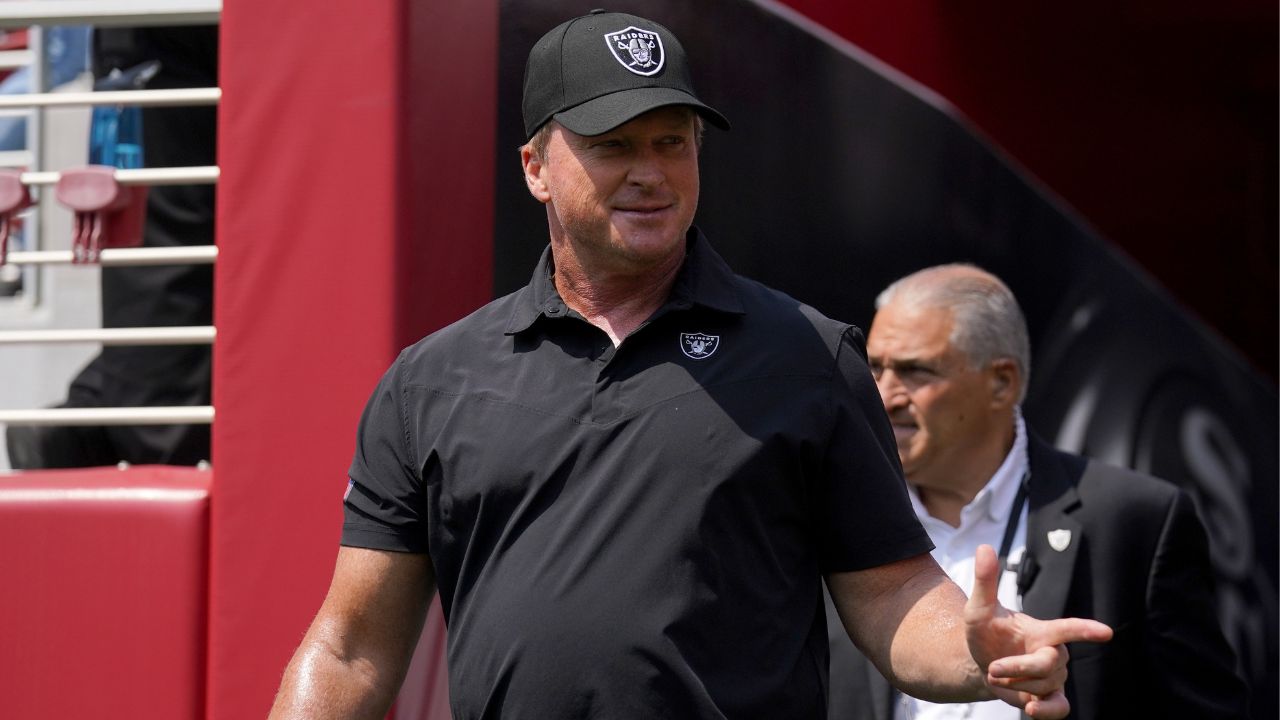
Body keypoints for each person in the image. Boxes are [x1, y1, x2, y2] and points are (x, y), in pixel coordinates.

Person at [269, 12, 1110, 719]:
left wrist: (975, 652)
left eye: (673, 142)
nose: (651, 172)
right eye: (613, 144)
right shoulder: (430, 381)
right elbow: (349, 648)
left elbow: (891, 594)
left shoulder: (808, 355)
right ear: (536, 168)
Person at [826, 263, 1249, 719]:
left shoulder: (1134, 519)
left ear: (1002, 383)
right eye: (873, 367)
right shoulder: (831, 514)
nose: (883, 396)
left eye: (915, 372)